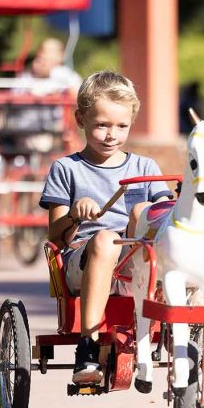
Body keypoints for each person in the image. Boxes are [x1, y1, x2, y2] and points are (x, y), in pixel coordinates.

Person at [39, 70, 172, 385]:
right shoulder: (67, 169)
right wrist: (74, 215)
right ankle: (88, 345)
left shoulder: (144, 168)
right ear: (81, 119)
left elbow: (163, 219)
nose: (112, 134)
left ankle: (173, 326)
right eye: (102, 125)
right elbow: (55, 236)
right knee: (106, 239)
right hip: (82, 262)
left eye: (121, 126)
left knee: (145, 212)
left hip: (134, 264)